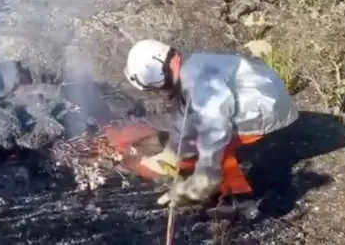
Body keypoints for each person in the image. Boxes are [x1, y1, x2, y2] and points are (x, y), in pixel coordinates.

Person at [123, 39, 299, 207]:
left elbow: (214, 133)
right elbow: (188, 115)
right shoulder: (193, 66)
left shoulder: (201, 87)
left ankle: (237, 196)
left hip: (269, 111)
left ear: (158, 79)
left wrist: (199, 183)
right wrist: (172, 152)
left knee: (210, 147)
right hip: (265, 91)